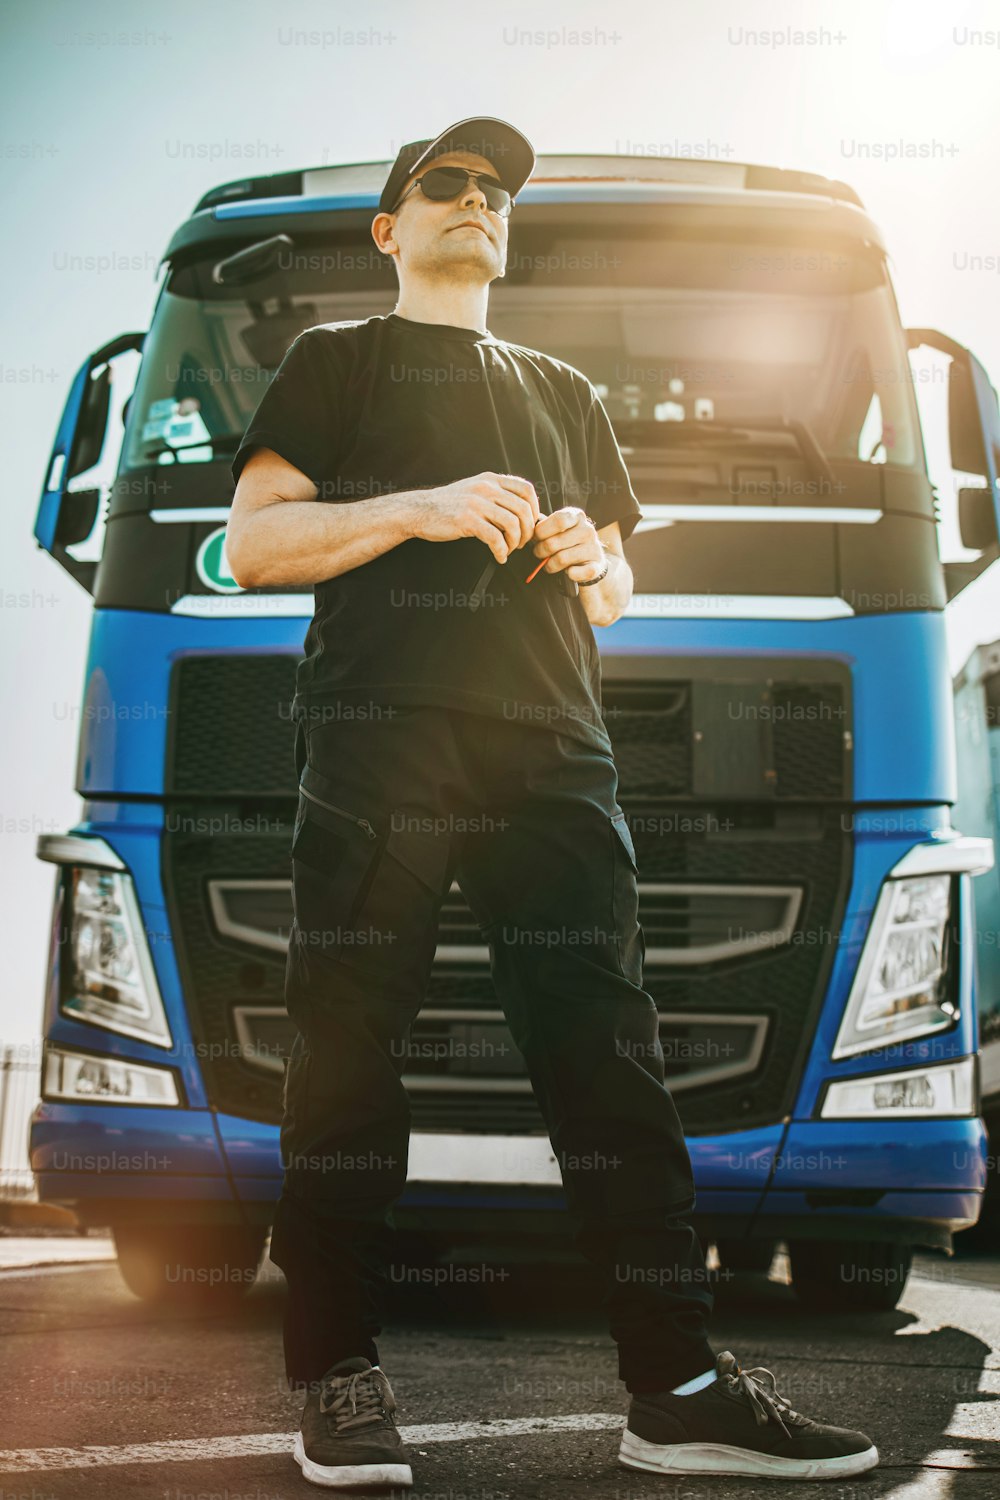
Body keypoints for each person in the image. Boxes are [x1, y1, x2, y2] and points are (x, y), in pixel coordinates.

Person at [227, 116, 879, 1490]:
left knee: (611, 1067)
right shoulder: (334, 365)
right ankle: (339, 1373)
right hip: (379, 745)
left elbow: (621, 584)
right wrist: (417, 506)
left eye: (494, 191)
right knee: (347, 1062)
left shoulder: (565, 390)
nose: (477, 202)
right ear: (391, 229)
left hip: (554, 753)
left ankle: (679, 1388)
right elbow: (251, 543)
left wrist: (593, 559)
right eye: (445, 185)